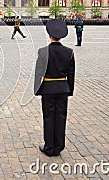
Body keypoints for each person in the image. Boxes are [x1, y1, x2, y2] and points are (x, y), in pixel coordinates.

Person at [34, 19, 75, 157]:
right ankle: (59, 146)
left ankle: (49, 146)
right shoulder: (69, 52)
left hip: (48, 88)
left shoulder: (43, 52)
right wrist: (70, 90)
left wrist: (37, 89)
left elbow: (38, 72)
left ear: (49, 35)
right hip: (63, 88)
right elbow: (71, 73)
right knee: (61, 117)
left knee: (48, 117)